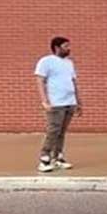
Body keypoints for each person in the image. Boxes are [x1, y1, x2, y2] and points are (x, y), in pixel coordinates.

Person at [34, 36, 82, 172]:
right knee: (53, 131)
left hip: (69, 102)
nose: (69, 49)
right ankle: (44, 158)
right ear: (57, 48)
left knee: (61, 132)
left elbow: (73, 82)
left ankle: (58, 158)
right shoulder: (46, 61)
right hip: (56, 103)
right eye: (66, 46)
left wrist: (79, 102)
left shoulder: (69, 63)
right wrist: (44, 101)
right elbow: (39, 81)